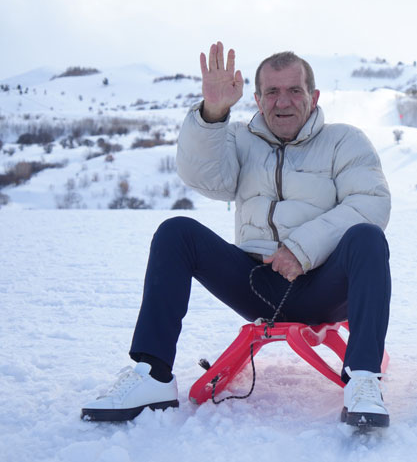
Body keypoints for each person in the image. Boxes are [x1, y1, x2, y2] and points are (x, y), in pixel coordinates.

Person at [81, 42, 393, 428]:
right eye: (272, 92)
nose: (283, 102)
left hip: (324, 285)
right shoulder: (239, 139)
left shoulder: (344, 141)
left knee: (367, 237)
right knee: (176, 232)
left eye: (294, 90)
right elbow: (205, 177)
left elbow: (370, 203)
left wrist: (300, 249)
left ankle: (363, 380)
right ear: (258, 100)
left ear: (313, 97)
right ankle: (154, 376)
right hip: (255, 282)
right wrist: (213, 114)